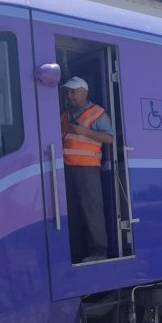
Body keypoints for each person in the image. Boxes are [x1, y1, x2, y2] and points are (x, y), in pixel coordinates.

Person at [60, 76, 114, 263]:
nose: (69, 95)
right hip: (66, 169)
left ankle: (99, 251)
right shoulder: (65, 115)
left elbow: (109, 138)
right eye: (68, 92)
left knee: (92, 210)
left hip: (88, 169)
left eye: (73, 92)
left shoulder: (97, 113)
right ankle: (77, 253)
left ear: (84, 93)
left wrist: (85, 132)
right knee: (72, 212)